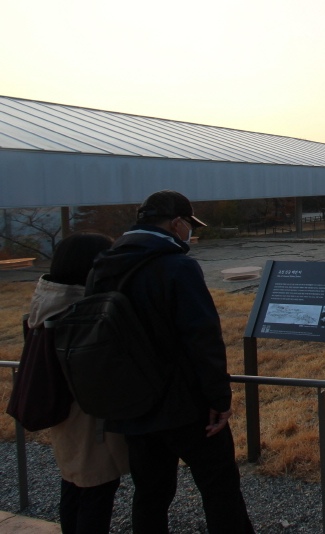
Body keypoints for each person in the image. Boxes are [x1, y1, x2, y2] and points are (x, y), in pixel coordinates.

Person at [90, 190, 254, 534]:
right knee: (219, 488)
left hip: (131, 401)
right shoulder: (177, 266)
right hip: (184, 403)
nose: (188, 233)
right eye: (188, 226)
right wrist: (218, 398)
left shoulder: (103, 265)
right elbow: (202, 337)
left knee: (149, 493)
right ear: (177, 223)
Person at [28, 232, 129, 534]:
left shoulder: (47, 301)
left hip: (63, 412)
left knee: (74, 485)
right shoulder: (79, 310)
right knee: (96, 491)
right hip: (87, 416)